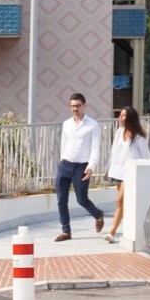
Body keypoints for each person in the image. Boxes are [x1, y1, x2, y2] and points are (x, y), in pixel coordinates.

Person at [54, 92, 105, 242]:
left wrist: (91, 166)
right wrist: (62, 161)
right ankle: (66, 231)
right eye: (72, 106)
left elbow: (95, 148)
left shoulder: (92, 125)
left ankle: (98, 214)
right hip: (65, 165)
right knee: (61, 200)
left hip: (81, 167)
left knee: (82, 199)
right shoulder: (66, 124)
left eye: (78, 106)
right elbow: (64, 144)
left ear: (84, 106)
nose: (75, 109)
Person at [103, 106, 150, 243]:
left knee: (119, 201)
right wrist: (108, 168)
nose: (120, 118)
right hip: (118, 171)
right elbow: (114, 151)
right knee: (125, 203)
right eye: (120, 115)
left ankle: (111, 232)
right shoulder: (119, 132)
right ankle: (131, 228)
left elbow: (146, 156)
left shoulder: (138, 137)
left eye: (123, 115)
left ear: (130, 118)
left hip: (129, 173)